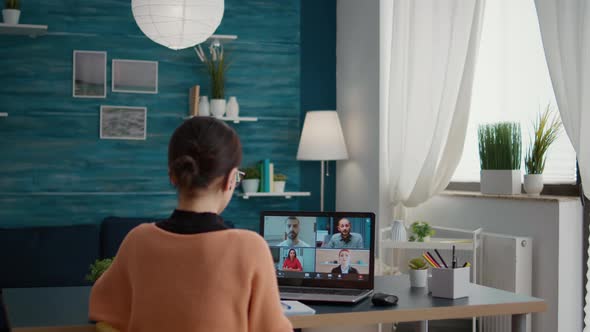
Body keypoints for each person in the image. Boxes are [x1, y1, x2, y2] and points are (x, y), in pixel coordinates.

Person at [89, 117, 293, 332]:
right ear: (231, 180)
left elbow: (101, 307)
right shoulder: (251, 248)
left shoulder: (138, 240)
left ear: (172, 175)